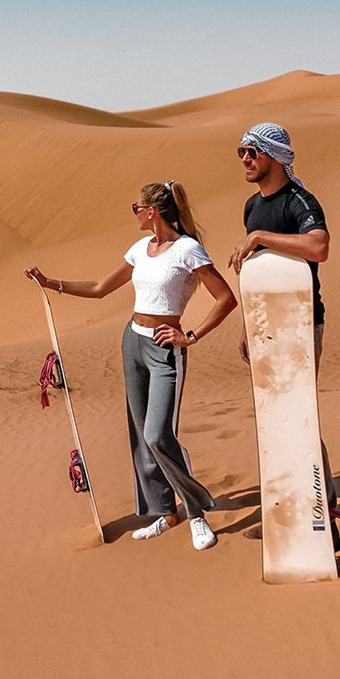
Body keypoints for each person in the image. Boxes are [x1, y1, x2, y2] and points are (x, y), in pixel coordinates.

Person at [26, 181, 237, 551]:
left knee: (159, 434)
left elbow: (225, 298)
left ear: (152, 211)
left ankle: (196, 513)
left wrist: (190, 335)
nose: (134, 213)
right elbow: (101, 287)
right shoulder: (141, 248)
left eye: (136, 207)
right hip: (133, 342)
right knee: (141, 436)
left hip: (164, 349)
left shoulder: (188, 250)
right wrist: (49, 282)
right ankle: (165, 512)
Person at [226, 122, 340, 549]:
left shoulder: (300, 202)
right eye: (241, 151)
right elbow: (255, 272)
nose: (244, 159)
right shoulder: (250, 206)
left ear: (273, 156)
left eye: (251, 152)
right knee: (275, 420)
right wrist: (247, 325)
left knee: (299, 418)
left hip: (301, 323)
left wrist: (259, 236)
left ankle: (323, 517)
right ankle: (285, 513)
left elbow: (319, 247)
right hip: (265, 325)